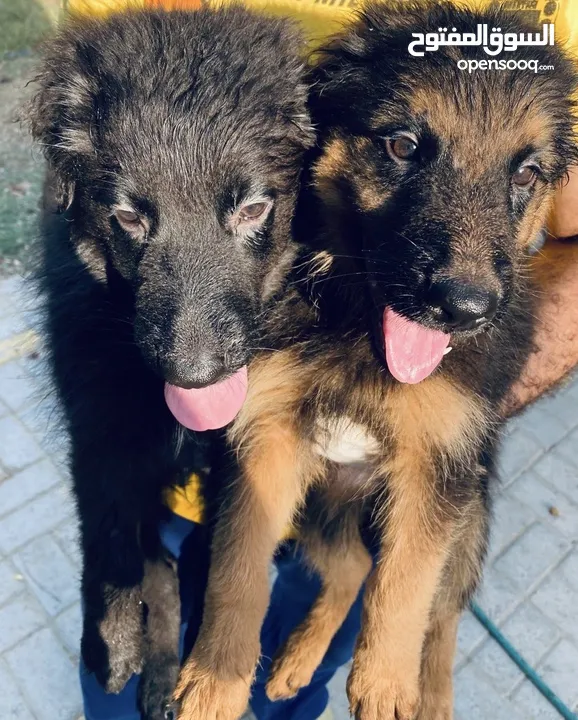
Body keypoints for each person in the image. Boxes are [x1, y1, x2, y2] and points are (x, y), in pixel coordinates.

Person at [70, 1, 578, 718]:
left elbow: (573, 240)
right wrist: (223, 645)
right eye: (403, 147)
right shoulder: (298, 288)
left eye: (525, 172)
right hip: (181, 506)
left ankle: (424, 654)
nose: (468, 270)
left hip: (370, 545)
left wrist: (397, 644)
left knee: (428, 546)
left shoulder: (542, 44)